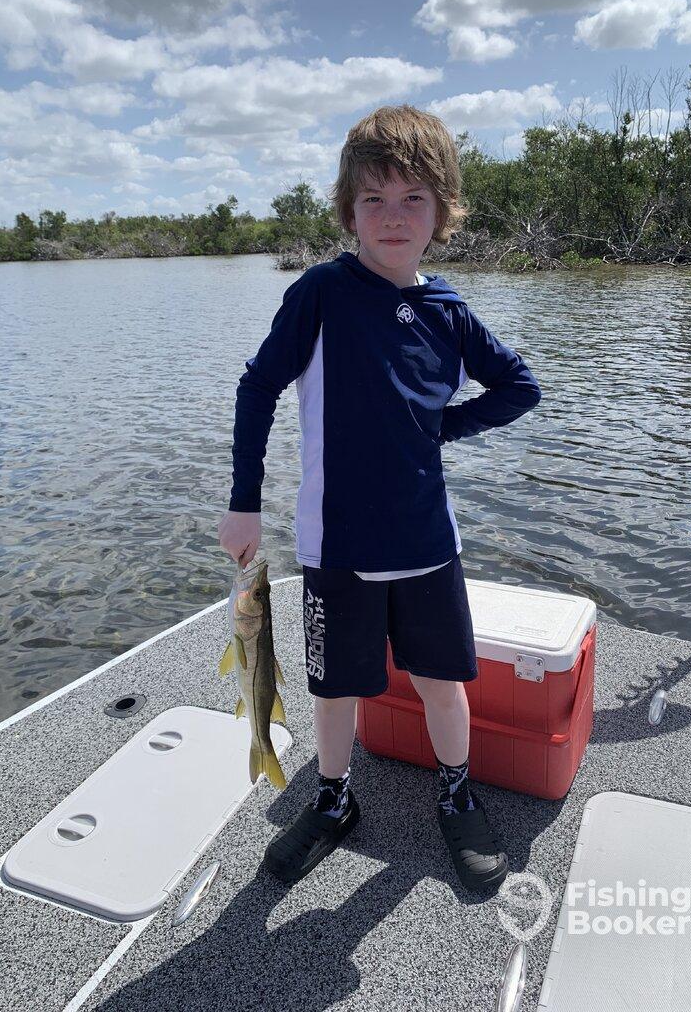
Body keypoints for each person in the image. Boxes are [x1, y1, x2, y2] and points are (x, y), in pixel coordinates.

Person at [218, 104, 541, 893]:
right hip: (337, 549)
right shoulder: (322, 293)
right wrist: (244, 501)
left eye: (413, 199)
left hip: (429, 544)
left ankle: (456, 791)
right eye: (374, 200)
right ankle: (333, 799)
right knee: (335, 689)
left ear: (443, 210)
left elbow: (520, 388)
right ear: (348, 210)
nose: (393, 218)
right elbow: (258, 387)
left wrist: (441, 429)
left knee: (442, 682)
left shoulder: (448, 311)